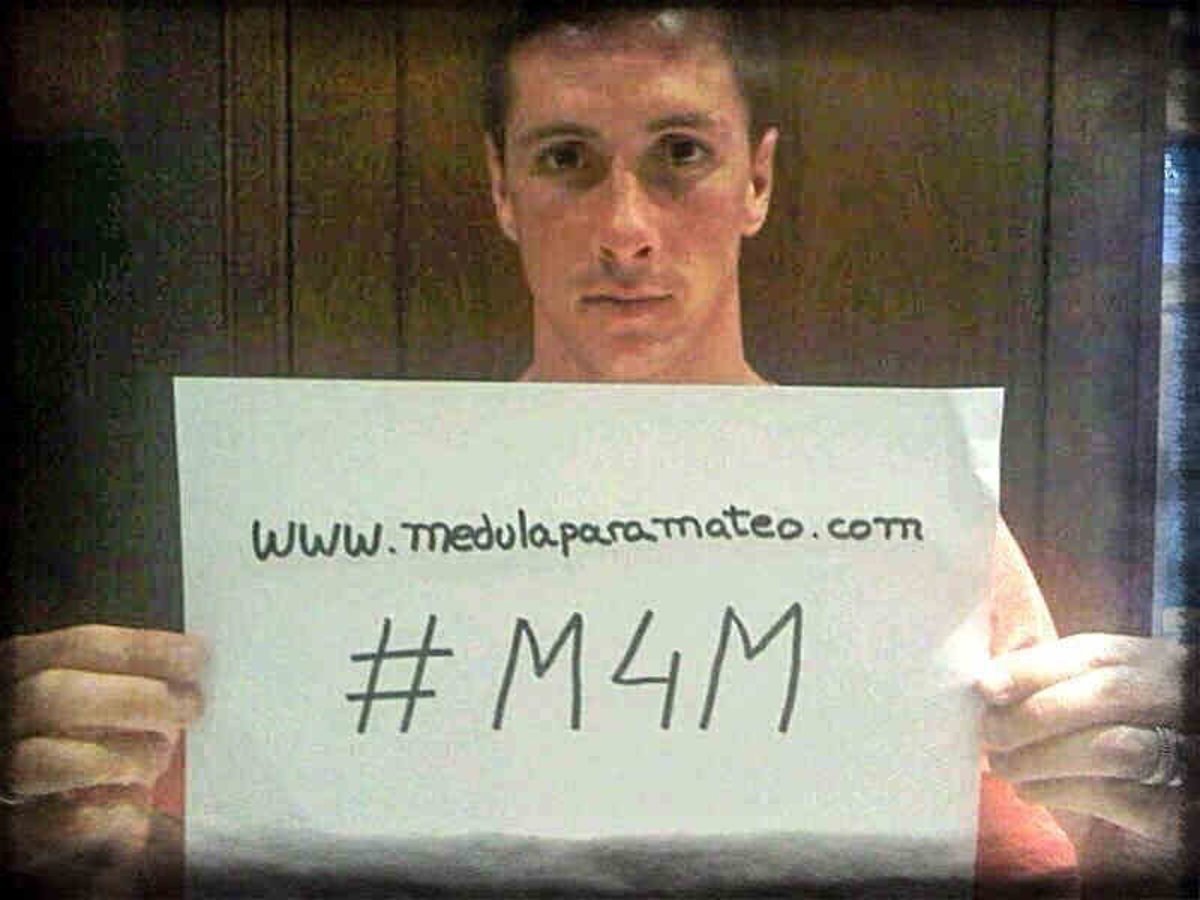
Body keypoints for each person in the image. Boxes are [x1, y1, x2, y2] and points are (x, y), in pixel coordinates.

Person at [2, 2, 1193, 896]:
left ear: (758, 180)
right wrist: (60, 844)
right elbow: (208, 850)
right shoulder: (345, 518)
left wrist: (1152, 829)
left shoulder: (912, 511)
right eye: (566, 158)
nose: (626, 229)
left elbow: (1037, 864)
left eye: (681, 153)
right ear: (501, 189)